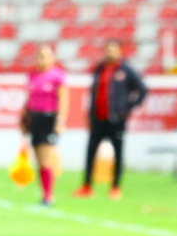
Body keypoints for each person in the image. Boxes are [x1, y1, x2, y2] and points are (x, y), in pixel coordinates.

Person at [72, 39, 148, 200]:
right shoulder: (99, 70)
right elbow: (95, 92)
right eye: (108, 49)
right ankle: (87, 186)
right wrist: (90, 112)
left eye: (113, 50)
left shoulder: (125, 71)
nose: (110, 53)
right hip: (98, 118)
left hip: (116, 119)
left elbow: (142, 90)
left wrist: (127, 108)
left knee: (118, 153)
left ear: (119, 52)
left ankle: (115, 187)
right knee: (90, 152)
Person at [20, 44, 68, 207]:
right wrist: (24, 117)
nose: (42, 59)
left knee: (46, 156)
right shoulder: (33, 75)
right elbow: (29, 98)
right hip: (35, 117)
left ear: (52, 58)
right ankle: (44, 194)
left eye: (46, 56)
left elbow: (63, 100)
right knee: (39, 158)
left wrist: (60, 121)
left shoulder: (57, 76)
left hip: (49, 117)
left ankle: (49, 196)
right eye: (39, 56)